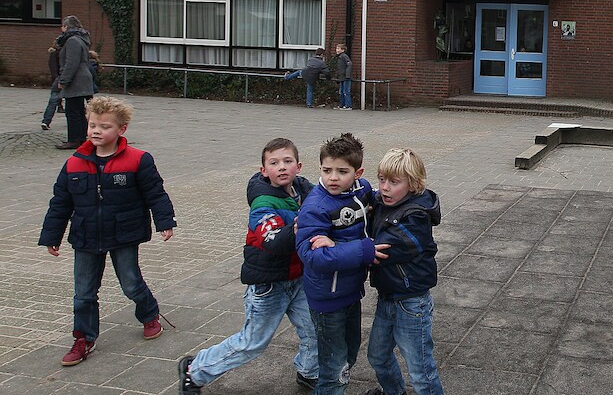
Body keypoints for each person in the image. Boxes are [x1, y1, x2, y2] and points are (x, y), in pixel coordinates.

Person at [38, 96, 176, 367]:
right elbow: (60, 203)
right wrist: (52, 236)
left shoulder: (138, 160)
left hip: (124, 233)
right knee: (84, 293)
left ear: (121, 129)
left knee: (131, 283)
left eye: (105, 126)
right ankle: (83, 338)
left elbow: (155, 194)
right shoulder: (74, 163)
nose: (96, 131)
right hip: (86, 236)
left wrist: (165, 221)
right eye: (92, 125)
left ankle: (149, 314)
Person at [177, 138, 319, 393]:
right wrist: (299, 227)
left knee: (314, 329)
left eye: (287, 161)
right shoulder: (262, 203)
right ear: (264, 170)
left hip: (298, 278)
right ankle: (195, 369)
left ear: (298, 166)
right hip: (269, 285)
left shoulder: (304, 190)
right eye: (274, 163)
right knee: (252, 342)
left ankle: (309, 371)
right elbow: (272, 240)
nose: (282, 167)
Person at [296, 133, 387, 395]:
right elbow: (312, 256)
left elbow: (377, 201)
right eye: (326, 170)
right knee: (334, 369)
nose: (332, 178)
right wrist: (363, 249)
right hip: (328, 298)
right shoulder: (316, 206)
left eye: (342, 171)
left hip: (350, 291)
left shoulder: (361, 190)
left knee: (348, 354)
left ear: (358, 173)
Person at [363, 148, 445, 395]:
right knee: (378, 356)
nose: (384, 187)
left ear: (413, 184)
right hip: (388, 296)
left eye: (394, 182)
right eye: (381, 179)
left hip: (411, 302)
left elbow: (382, 250)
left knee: (421, 370)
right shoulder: (383, 203)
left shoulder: (416, 216)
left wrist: (344, 249)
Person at [53, 15, 96, 149]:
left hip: (76, 81)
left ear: (66, 26)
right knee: (79, 110)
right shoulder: (81, 39)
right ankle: (81, 138)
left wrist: (63, 80)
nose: (61, 29)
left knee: (72, 111)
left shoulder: (72, 41)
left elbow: (71, 63)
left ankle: (74, 139)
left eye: (62, 26)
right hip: (82, 79)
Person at [41, 40, 63, 130]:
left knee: (53, 100)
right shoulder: (59, 53)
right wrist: (57, 78)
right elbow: (54, 67)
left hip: (58, 79)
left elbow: (53, 67)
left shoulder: (55, 53)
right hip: (61, 79)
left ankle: (46, 121)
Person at [334, 44, 353, 110]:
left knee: (346, 91)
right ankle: (342, 105)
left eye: (338, 48)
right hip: (341, 77)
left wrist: (347, 75)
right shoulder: (340, 57)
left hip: (345, 77)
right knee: (341, 92)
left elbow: (349, 64)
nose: (337, 50)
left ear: (343, 50)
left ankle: (348, 106)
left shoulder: (344, 56)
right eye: (336, 48)